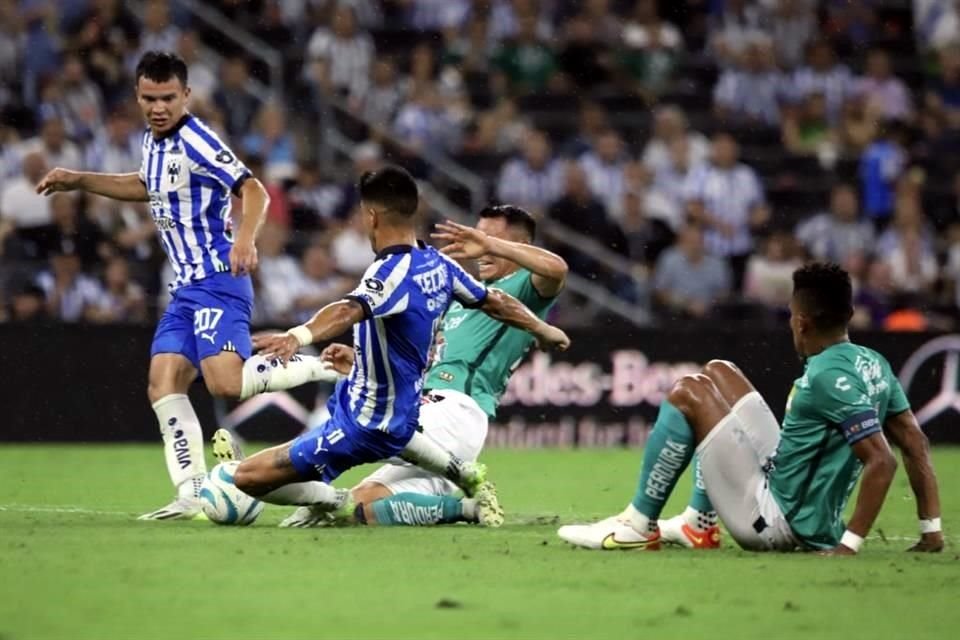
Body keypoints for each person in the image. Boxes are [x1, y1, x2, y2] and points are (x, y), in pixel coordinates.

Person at [35, 51, 338, 520]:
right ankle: (192, 492)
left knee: (225, 385)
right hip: (185, 289)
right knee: (163, 383)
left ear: (187, 96)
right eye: (150, 98)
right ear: (138, 96)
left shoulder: (198, 139)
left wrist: (244, 239)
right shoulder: (153, 141)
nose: (158, 107)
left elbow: (252, 188)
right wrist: (79, 181)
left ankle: (320, 368)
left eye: (168, 98)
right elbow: (146, 185)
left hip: (219, 280)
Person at [230, 167, 571, 525]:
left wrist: (539, 323)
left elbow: (557, 270)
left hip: (453, 411)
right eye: (478, 235)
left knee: (366, 428)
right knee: (360, 509)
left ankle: (264, 475)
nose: (479, 247)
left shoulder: (524, 286)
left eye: (490, 241)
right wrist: (367, 361)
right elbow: (416, 347)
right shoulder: (452, 280)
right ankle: (467, 500)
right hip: (428, 408)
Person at [558, 263, 943, 554]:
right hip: (792, 489)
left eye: (792, 317)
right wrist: (932, 530)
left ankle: (637, 526)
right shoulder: (873, 361)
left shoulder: (825, 376)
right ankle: (699, 523)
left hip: (778, 521)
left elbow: (883, 460)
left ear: (803, 323)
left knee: (688, 392)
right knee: (719, 371)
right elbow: (914, 442)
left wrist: (849, 545)